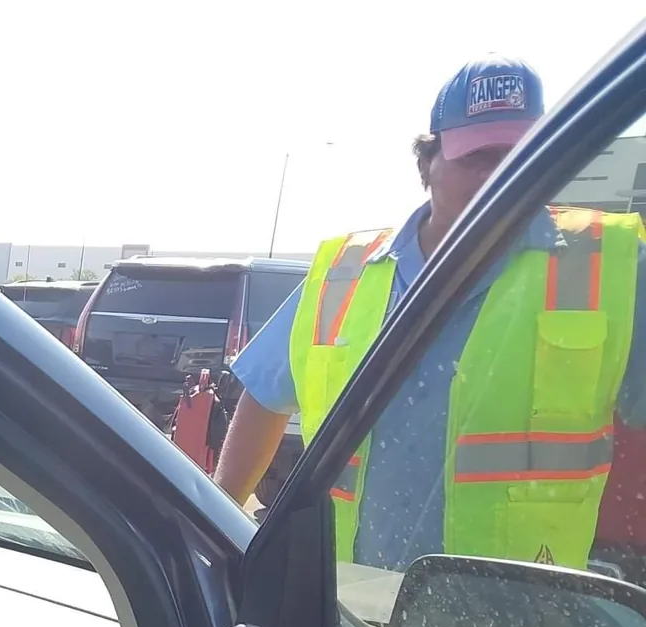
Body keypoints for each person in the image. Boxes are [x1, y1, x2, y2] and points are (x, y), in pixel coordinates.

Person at [213, 58, 646, 572]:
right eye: (477, 156)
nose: (499, 175)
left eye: (520, 155)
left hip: (517, 605)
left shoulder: (611, 266)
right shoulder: (345, 273)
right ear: (427, 164)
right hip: (353, 594)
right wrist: (218, 536)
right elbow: (264, 398)